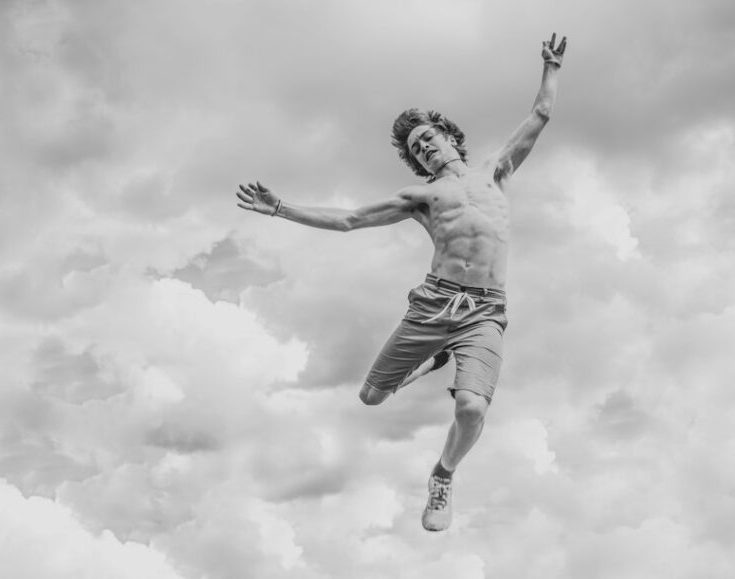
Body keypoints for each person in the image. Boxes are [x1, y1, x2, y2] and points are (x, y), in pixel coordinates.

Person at [236, 33, 567, 531]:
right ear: (418, 163)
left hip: (485, 311)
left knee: (473, 409)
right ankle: (433, 356)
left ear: (451, 137)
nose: (427, 148)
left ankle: (443, 476)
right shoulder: (421, 197)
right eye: (418, 149)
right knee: (370, 397)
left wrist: (551, 69)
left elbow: (539, 116)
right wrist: (281, 208)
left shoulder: (495, 172)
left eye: (430, 138)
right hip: (433, 304)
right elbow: (349, 219)